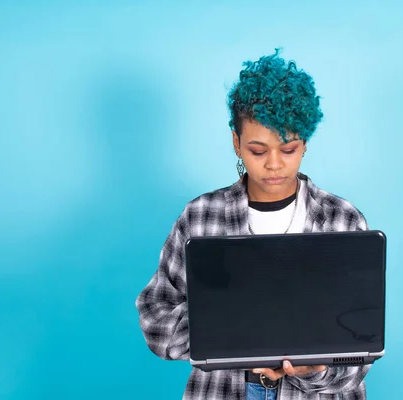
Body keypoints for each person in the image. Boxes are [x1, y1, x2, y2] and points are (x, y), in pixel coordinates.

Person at [136, 49, 372, 399]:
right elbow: (156, 319)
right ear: (237, 143)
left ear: (305, 143)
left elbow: (361, 344)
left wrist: (317, 368)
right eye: (258, 151)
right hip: (222, 390)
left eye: (288, 149)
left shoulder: (341, 219)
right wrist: (227, 329)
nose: (273, 164)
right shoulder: (200, 217)